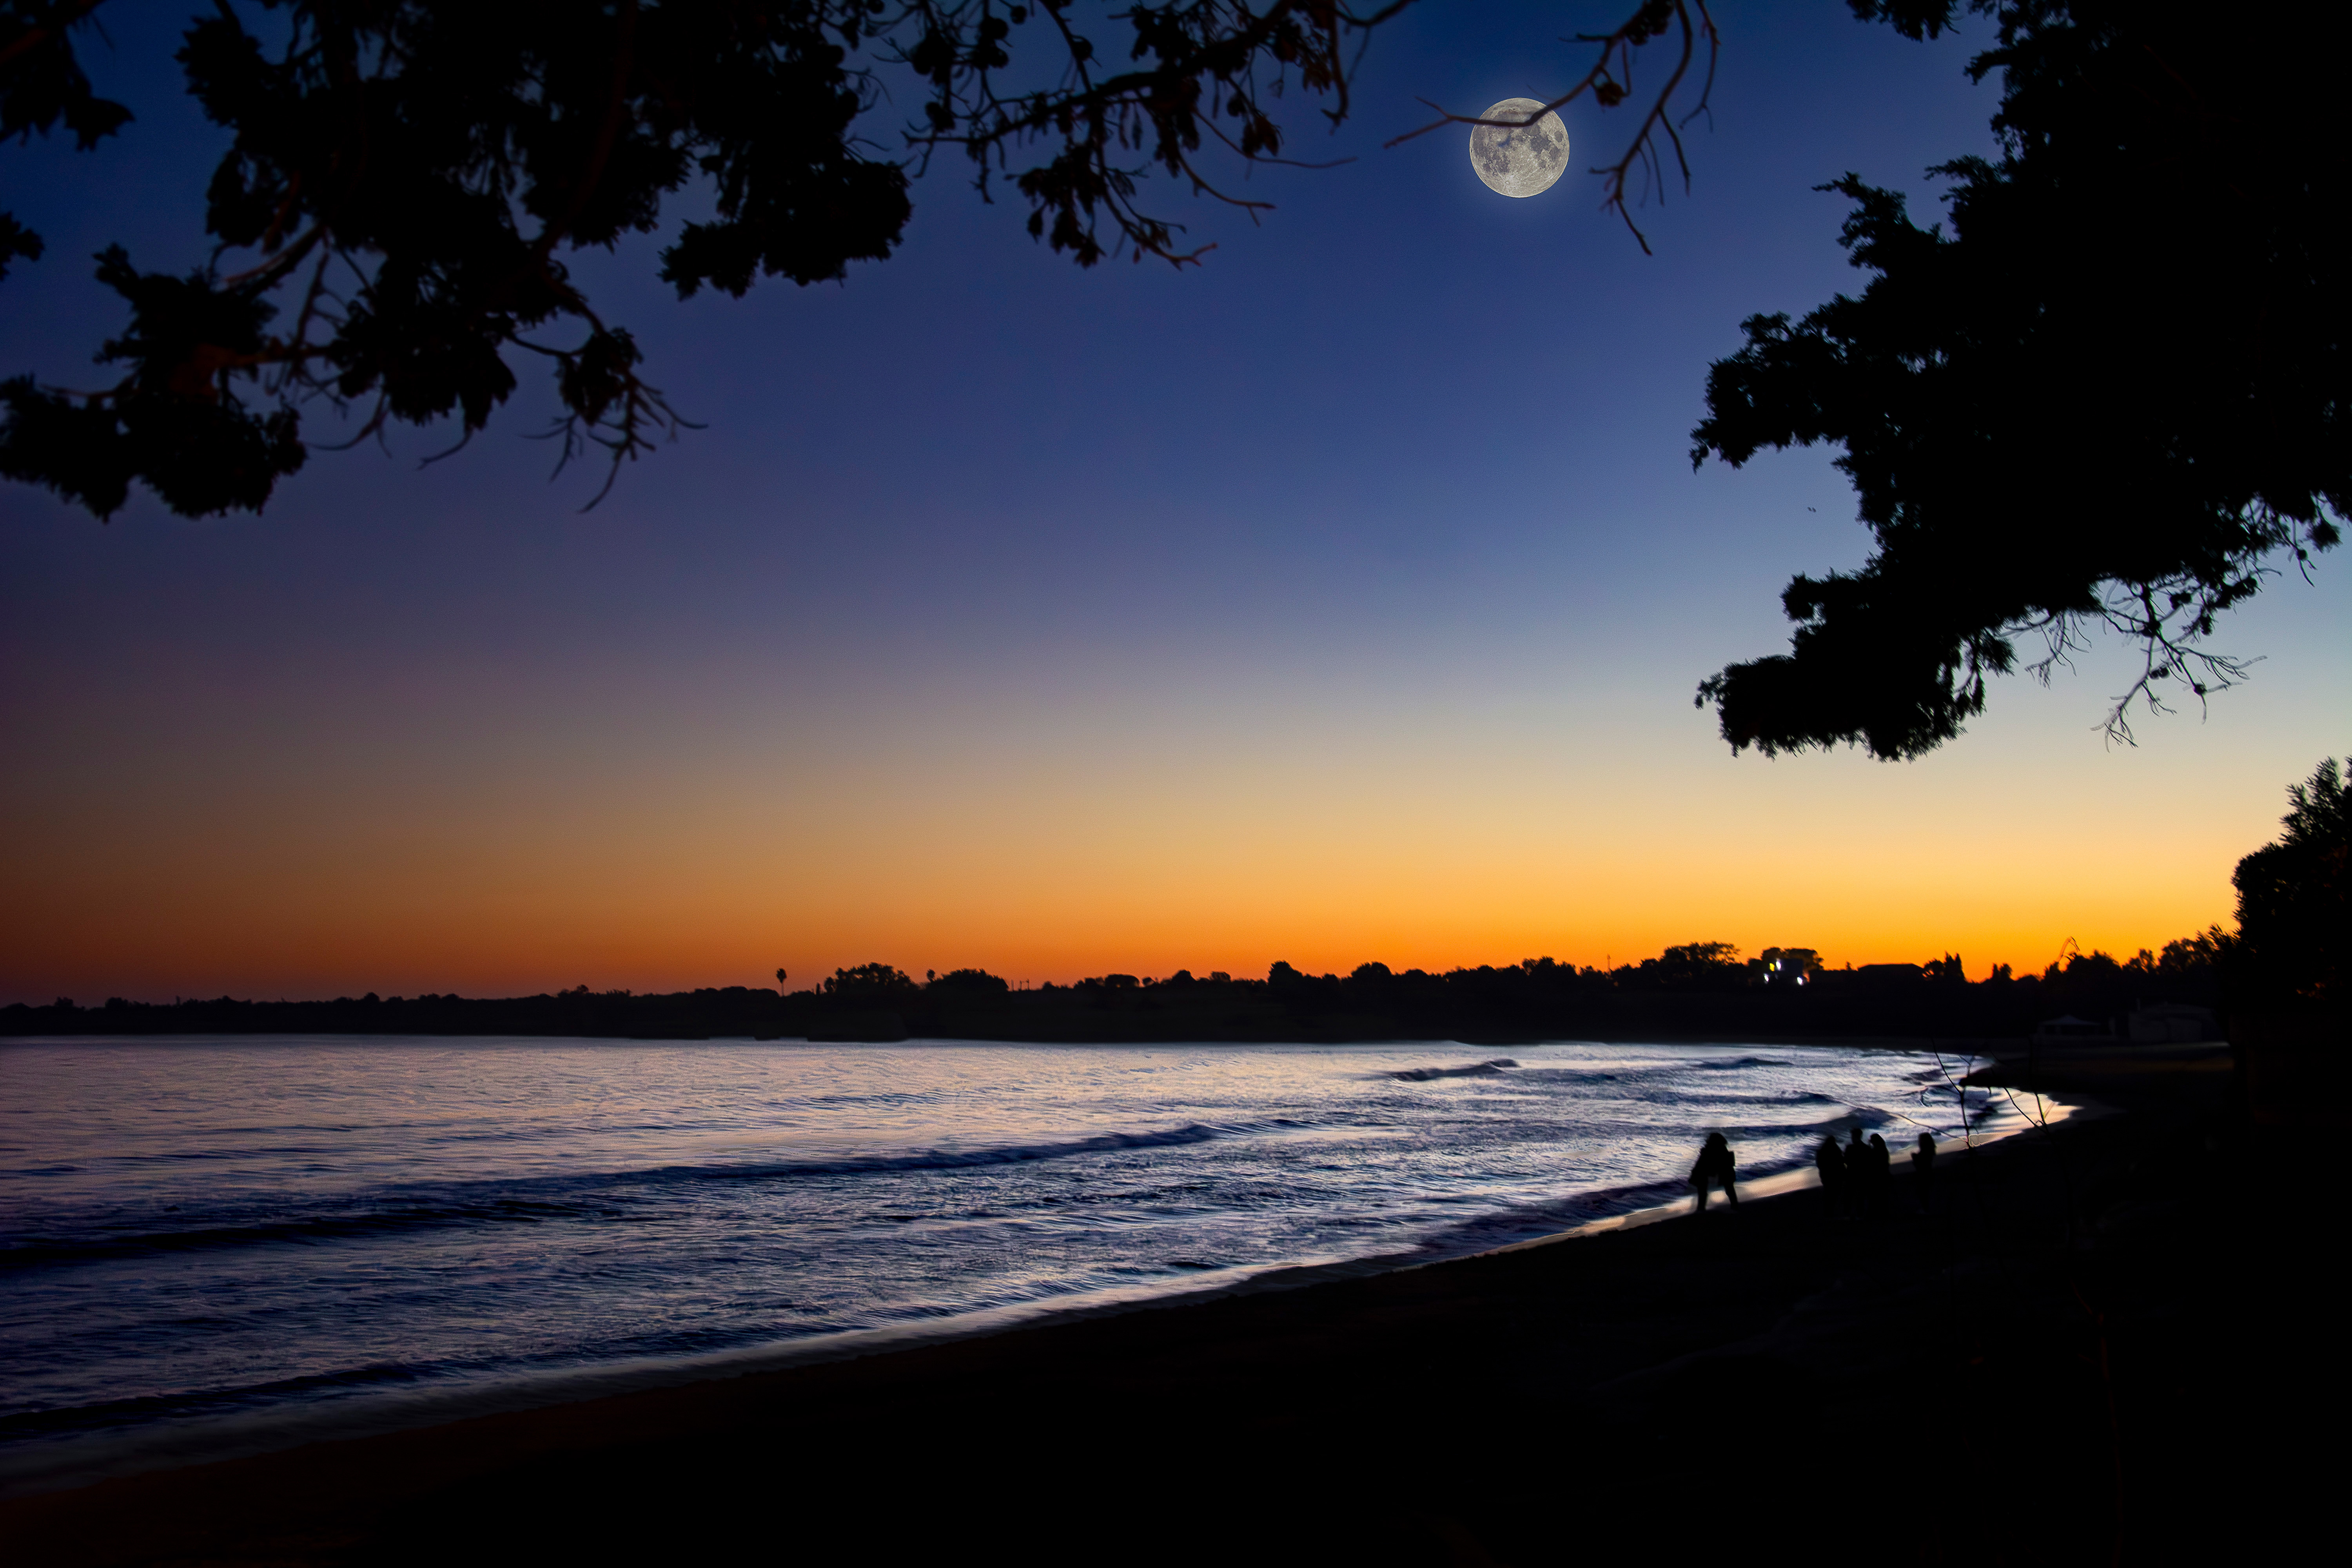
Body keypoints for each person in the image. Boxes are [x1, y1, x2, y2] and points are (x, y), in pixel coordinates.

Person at [1690, 1131, 1739, 1213]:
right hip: (1722, 1172)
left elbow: (1701, 1164)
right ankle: (1735, 1206)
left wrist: (1694, 1174)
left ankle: (1701, 1208)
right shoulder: (1722, 1149)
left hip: (1721, 1172)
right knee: (1729, 1189)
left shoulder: (1711, 1150)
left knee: (1703, 1188)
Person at [1815, 1133, 1847, 1218]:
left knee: (1828, 1193)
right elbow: (1842, 1161)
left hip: (1826, 1177)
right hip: (1837, 1177)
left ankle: (1828, 1212)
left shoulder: (1821, 1152)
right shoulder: (1836, 1150)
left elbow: (1819, 1165)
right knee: (1835, 1194)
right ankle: (1832, 1211)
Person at [1846, 1127, 1871, 1218]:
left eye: (1852, 1136)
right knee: (1862, 1197)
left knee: (1852, 1197)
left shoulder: (1850, 1148)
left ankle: (1855, 1215)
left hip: (1853, 1176)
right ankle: (1861, 1215)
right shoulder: (1867, 1148)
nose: (1851, 1138)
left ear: (1855, 1136)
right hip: (1864, 1176)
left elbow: (1846, 1161)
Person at [1912, 1131, 1938, 1213]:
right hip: (1927, 1173)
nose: (1919, 1141)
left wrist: (1915, 1158)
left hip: (1924, 1175)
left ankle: (1926, 1210)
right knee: (1925, 1193)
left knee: (1924, 1193)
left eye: (1921, 1140)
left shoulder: (1926, 1151)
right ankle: (1927, 1209)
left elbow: (1922, 1164)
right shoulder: (1929, 1150)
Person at [1867, 1133, 1892, 1217]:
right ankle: (1885, 1213)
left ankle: (1880, 1214)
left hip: (1878, 1177)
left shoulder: (1876, 1150)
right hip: (1884, 1175)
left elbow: (1873, 1162)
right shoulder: (1883, 1149)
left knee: (1879, 1196)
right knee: (1883, 1196)